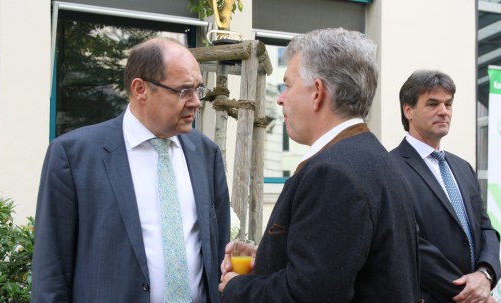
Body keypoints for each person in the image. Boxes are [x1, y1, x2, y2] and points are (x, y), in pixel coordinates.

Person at [219, 27, 420, 302]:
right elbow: (336, 267)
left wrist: (236, 287)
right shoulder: (375, 159)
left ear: (317, 92)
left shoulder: (332, 174)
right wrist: (268, 257)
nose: (280, 98)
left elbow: (307, 294)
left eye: (287, 85)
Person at [31, 37, 230, 302]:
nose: (196, 102)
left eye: (198, 90)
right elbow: (51, 269)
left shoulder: (206, 153)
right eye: (183, 91)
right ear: (140, 89)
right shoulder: (73, 155)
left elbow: (218, 252)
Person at [390, 70, 501, 303]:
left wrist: (485, 274)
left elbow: (485, 228)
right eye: (432, 104)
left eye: (448, 104)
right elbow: (410, 244)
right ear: (407, 110)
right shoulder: (389, 169)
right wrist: (471, 295)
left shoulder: (463, 167)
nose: (443, 111)